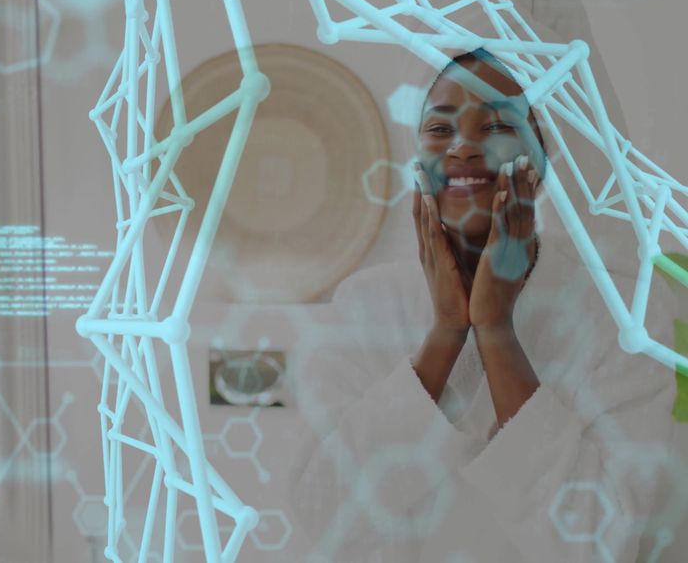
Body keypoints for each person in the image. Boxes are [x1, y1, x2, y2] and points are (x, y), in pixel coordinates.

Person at [289, 48, 677, 562]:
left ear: (541, 156)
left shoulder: (623, 318)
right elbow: (323, 513)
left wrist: (496, 331)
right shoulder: (364, 305)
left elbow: (599, 546)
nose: (464, 148)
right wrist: (448, 331)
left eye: (496, 128)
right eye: (440, 128)